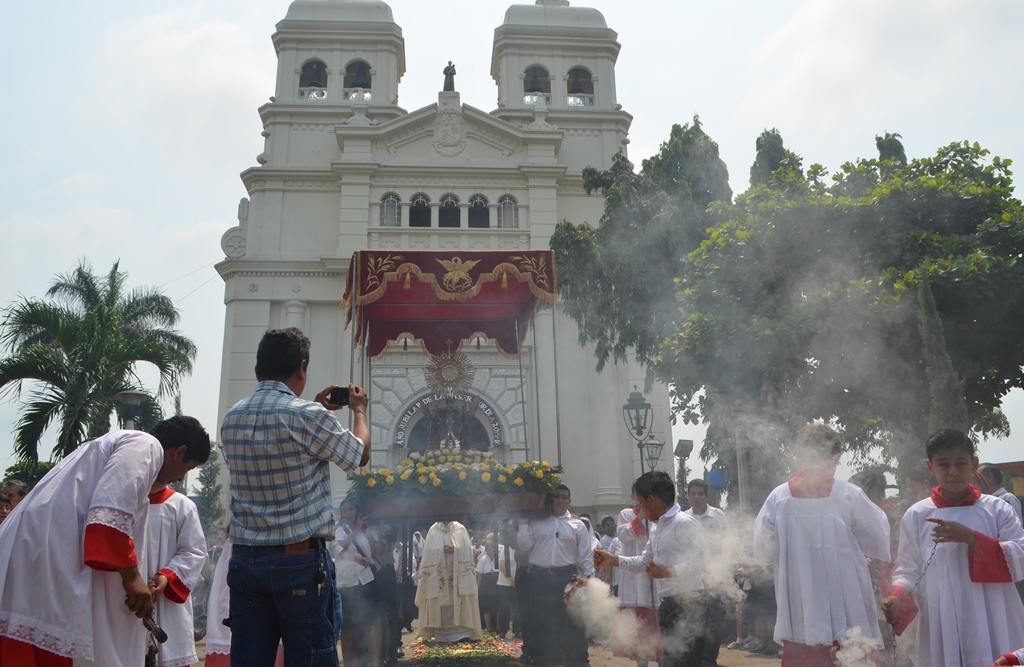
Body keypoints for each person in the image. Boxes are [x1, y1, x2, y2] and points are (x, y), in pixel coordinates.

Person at [0, 416, 210, 667]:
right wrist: (132, 579)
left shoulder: (116, 445)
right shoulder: (145, 445)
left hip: (42, 548)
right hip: (48, 550)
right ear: (180, 452)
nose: (180, 478)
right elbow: (109, 516)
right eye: (188, 469)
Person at [221, 327, 370, 667]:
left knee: (249, 659)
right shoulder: (308, 416)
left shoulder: (232, 418)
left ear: (258, 369)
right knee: (311, 658)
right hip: (298, 561)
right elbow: (358, 453)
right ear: (301, 368)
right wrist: (358, 409)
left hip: (247, 559)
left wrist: (314, 408)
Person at [882, 428, 1024, 667]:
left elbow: (1020, 557)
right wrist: (897, 597)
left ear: (974, 463)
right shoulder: (917, 514)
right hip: (941, 619)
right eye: (943, 464)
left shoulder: (997, 509)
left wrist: (971, 538)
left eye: (960, 463)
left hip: (992, 613)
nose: (953, 472)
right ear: (930, 467)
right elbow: (909, 570)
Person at [753, 424, 890, 667]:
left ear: (798, 456)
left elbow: (762, 549)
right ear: (834, 457)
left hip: (800, 607)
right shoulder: (848, 495)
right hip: (847, 603)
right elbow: (878, 539)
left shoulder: (778, 497)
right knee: (852, 656)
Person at [595, 472, 709, 667]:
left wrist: (669, 572)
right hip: (667, 604)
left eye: (640, 502)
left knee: (688, 662)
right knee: (672, 661)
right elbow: (644, 561)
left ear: (651, 500)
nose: (639, 508)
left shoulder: (684, 523)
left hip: (690, 605)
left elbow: (702, 559)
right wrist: (614, 560)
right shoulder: (658, 527)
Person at [517, 484, 594, 667]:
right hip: (539, 578)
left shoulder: (578, 525)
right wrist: (523, 524)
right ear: (550, 499)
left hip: (566, 578)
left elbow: (586, 556)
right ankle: (544, 661)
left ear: (569, 501)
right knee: (542, 622)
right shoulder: (537, 522)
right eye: (556, 496)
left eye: (564, 497)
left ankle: (578, 662)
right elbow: (524, 547)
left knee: (573, 623)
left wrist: (589, 581)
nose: (560, 500)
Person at [145, 481, 208, 667]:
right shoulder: (121, 502)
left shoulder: (182, 505)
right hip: (127, 597)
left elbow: (194, 551)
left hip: (167, 600)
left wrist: (166, 576)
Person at [682, 479, 729, 666]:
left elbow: (727, 545)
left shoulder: (718, 516)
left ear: (707, 496)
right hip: (691, 579)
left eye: (700, 493)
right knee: (694, 621)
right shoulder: (683, 518)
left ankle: (709, 660)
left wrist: (727, 575)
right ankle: (697, 659)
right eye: (692, 493)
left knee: (714, 622)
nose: (696, 497)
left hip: (714, 577)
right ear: (688, 496)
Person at [612, 496, 662, 667]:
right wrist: (641, 516)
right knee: (639, 625)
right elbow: (624, 536)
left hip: (655, 570)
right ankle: (642, 662)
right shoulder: (626, 514)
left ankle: (662, 660)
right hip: (634, 574)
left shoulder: (659, 514)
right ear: (634, 495)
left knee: (658, 621)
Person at [330, 497, 379, 667]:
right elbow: (338, 550)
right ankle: (349, 664)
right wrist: (355, 530)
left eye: (351, 509)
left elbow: (373, 550)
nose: (348, 513)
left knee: (370, 622)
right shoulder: (337, 530)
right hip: (346, 581)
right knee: (348, 627)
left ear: (356, 510)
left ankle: (375, 662)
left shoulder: (365, 528)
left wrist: (363, 530)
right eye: (344, 510)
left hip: (365, 579)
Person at [415, 519, 482, 642]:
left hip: (458, 574)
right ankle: (441, 635)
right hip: (440, 574)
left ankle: (462, 633)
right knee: (441, 602)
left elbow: (468, 549)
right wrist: (441, 550)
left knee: (459, 600)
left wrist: (456, 548)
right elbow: (428, 551)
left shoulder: (460, 528)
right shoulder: (433, 530)